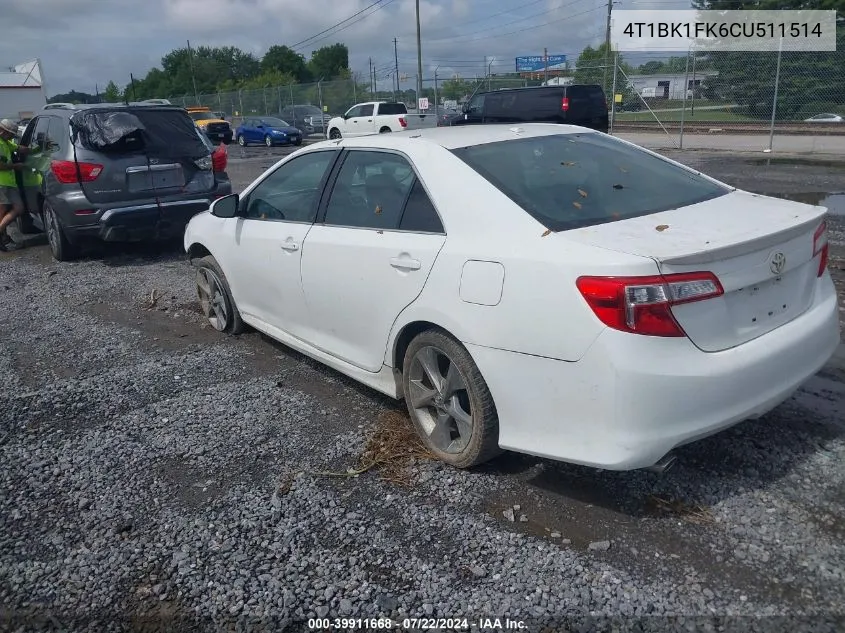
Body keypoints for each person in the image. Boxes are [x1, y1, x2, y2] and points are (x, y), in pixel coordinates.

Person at [0, 118, 38, 251]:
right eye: (10, 133)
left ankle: (2, 236)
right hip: (2, 184)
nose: (11, 136)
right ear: (3, 131)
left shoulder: (6, 142)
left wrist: (36, 150)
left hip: (9, 183)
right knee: (3, 211)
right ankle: (3, 238)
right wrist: (16, 166)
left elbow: (20, 148)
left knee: (19, 208)